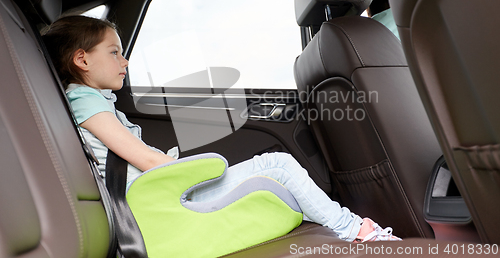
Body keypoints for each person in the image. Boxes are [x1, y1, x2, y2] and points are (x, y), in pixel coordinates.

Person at [42, 15, 401, 243]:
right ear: (82, 59)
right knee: (280, 166)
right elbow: (144, 161)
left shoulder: (95, 100)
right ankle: (358, 231)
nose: (125, 61)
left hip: (156, 193)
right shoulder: (86, 101)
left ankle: (346, 227)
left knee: (276, 170)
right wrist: (194, 174)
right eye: (114, 52)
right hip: (155, 200)